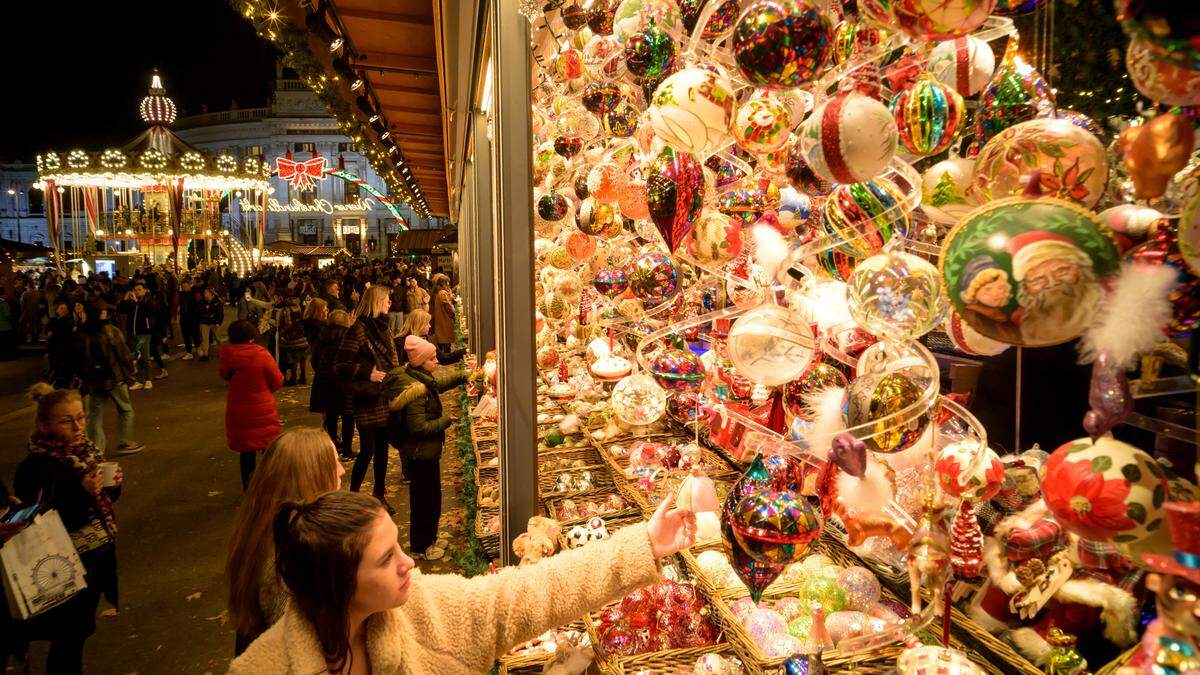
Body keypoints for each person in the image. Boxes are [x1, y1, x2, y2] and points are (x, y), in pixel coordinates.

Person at [229, 490, 695, 673]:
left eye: (401, 546)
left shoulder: (427, 610)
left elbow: (530, 592)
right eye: (387, 558)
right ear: (338, 584)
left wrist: (643, 546)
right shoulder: (261, 669)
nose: (408, 564)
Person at [13, 385, 123, 674]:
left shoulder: (86, 452)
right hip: (60, 566)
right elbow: (33, 516)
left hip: (94, 559)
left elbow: (102, 502)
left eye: (81, 417)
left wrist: (112, 486)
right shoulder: (36, 465)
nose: (77, 426)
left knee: (80, 632)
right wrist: (80, 492)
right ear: (43, 425)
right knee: (68, 638)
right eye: (66, 421)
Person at [226, 427, 345, 656]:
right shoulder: (292, 554)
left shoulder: (260, 528)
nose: (341, 471)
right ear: (311, 475)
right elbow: (303, 640)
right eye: (334, 464)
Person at [388, 339, 467, 560]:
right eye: (432, 358)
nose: (437, 361)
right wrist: (444, 421)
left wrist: (463, 376)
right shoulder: (415, 390)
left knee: (432, 496)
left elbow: (439, 384)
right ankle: (421, 545)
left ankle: (430, 537)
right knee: (423, 499)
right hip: (420, 452)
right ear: (421, 362)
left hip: (427, 451)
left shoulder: (420, 378)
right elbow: (418, 427)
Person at [333, 286, 399, 512]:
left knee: (382, 449)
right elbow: (340, 364)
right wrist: (366, 372)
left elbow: (392, 358)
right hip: (369, 397)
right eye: (387, 299)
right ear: (376, 301)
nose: (390, 303)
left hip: (385, 395)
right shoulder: (359, 330)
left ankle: (379, 493)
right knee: (368, 449)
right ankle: (353, 496)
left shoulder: (384, 326)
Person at [219, 320, 284, 490]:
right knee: (268, 450)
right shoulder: (261, 354)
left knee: (246, 452)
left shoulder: (227, 354)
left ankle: (248, 488)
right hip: (263, 409)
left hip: (238, 408)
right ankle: (269, 487)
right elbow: (277, 381)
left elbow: (225, 375)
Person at [78, 303, 144, 456]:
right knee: (125, 409)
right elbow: (123, 353)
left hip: (93, 380)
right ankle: (124, 442)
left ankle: (96, 449)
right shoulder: (110, 330)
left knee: (95, 413)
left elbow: (78, 358)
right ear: (101, 313)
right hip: (114, 377)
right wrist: (130, 369)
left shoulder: (81, 333)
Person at [312, 310, 357, 460]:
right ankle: (348, 450)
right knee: (348, 416)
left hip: (325, 380)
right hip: (344, 381)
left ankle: (333, 447)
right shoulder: (348, 336)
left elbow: (314, 360)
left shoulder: (322, 336)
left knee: (331, 416)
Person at [278, 296, 309, 386]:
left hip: (291, 338)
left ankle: (293, 378)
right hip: (301, 336)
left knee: (293, 358)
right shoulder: (298, 306)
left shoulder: (286, 309)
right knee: (302, 358)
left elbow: (288, 323)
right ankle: (303, 377)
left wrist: (281, 332)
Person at [46, 301, 76, 388]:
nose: (63, 310)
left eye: (65, 309)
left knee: (65, 370)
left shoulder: (70, 321)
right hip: (55, 349)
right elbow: (49, 333)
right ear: (57, 310)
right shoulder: (53, 320)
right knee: (56, 369)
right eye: (61, 308)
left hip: (67, 349)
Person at [430, 274, 456, 353]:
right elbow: (447, 306)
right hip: (445, 320)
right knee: (446, 343)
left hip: (440, 319)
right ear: (444, 283)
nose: (448, 284)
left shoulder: (437, 292)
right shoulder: (443, 293)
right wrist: (453, 311)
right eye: (447, 282)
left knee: (442, 342)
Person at [199, 286, 225, 361]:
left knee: (218, 338)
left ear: (211, 293)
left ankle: (221, 352)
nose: (204, 294)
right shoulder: (203, 301)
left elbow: (220, 313)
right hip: (205, 322)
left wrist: (218, 322)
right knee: (205, 338)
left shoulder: (217, 301)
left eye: (206, 292)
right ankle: (205, 354)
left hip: (214, 322)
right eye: (204, 292)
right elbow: (200, 310)